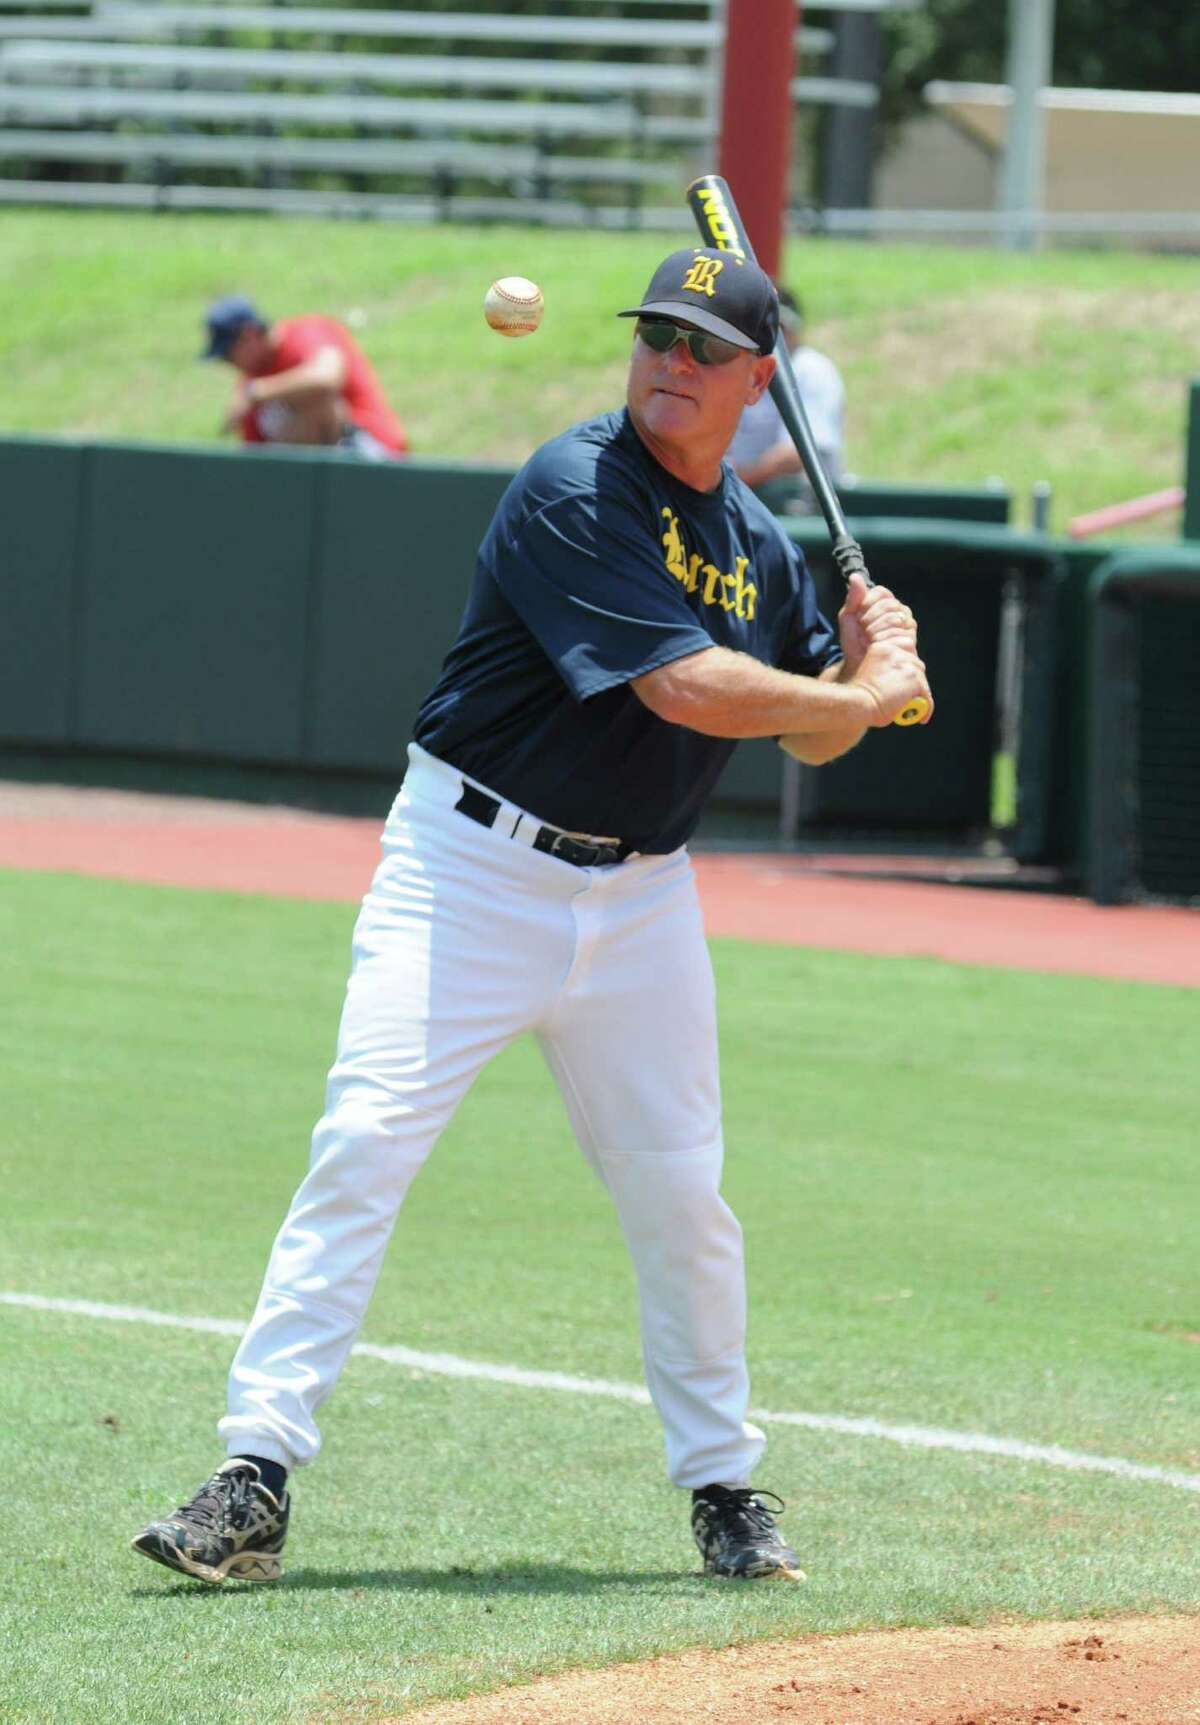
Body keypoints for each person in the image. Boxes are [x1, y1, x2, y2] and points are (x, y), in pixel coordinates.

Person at [135, 249, 930, 1589]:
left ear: (755, 380)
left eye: (698, 346)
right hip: (470, 870)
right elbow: (686, 692)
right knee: (366, 1138)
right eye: (654, 338)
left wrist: (861, 665)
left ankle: (726, 1487)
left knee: (682, 1195)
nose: (667, 362)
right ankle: (252, 1475)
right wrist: (861, 697)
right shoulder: (575, 485)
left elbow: (808, 744)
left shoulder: (762, 545)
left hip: (642, 902)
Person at [201, 295, 409, 460]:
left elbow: (326, 377)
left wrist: (257, 392)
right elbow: (256, 459)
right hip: (313, 486)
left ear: (249, 335)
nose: (229, 364)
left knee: (312, 398)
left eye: (228, 355)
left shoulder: (306, 333)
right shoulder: (250, 384)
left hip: (375, 456)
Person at [726, 287, 845, 515]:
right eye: (759, 327)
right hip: (744, 500)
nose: (769, 336)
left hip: (803, 508)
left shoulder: (811, 369)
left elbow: (798, 453)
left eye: (779, 328)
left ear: (796, 331)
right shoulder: (737, 367)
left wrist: (733, 481)